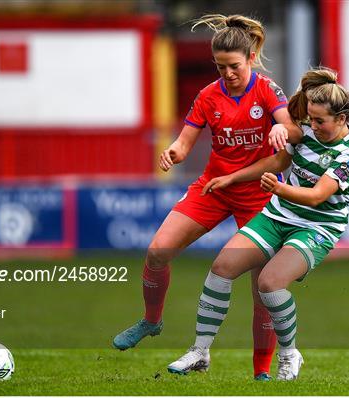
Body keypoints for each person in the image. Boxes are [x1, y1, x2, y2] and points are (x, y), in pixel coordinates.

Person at [112, 14, 296, 381]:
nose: (227, 73)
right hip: (214, 186)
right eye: (220, 66)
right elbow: (185, 139)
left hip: (259, 193)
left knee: (263, 286)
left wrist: (281, 126)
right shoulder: (208, 96)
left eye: (234, 66)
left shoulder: (267, 91)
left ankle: (261, 371)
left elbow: (290, 127)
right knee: (157, 250)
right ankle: (151, 321)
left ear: (251, 58)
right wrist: (174, 152)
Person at [167, 67, 349, 380]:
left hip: (316, 227)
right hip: (277, 216)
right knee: (221, 268)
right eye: (310, 119)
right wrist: (232, 177)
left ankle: (289, 354)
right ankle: (200, 352)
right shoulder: (307, 130)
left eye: (319, 121)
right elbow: (276, 162)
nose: (312, 126)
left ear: (341, 119)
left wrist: (278, 188)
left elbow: (316, 197)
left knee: (269, 284)